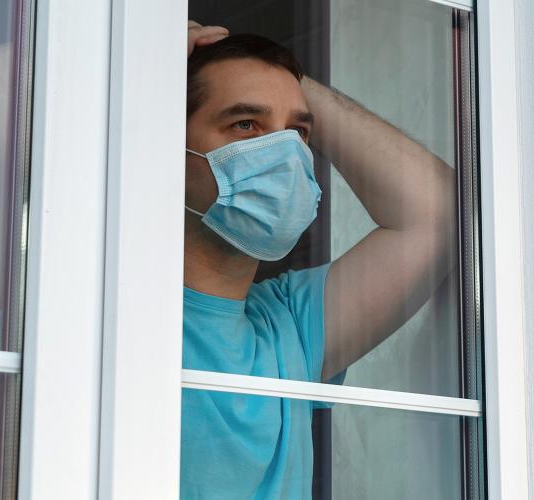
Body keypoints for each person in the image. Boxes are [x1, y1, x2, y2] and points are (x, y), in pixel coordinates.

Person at [180, 22, 454, 499]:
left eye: (298, 132)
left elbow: (438, 212)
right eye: (246, 124)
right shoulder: (96, 313)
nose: (285, 154)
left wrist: (281, 72)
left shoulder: (289, 327)